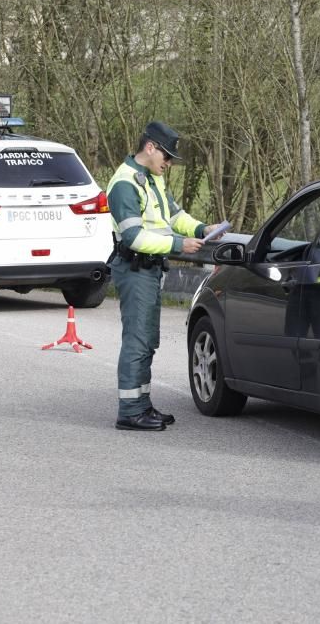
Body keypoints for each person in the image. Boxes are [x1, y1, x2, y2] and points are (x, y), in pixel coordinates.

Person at [106, 121, 223, 431]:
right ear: (150, 148)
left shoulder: (151, 179)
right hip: (134, 267)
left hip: (149, 268)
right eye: (166, 157)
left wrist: (201, 229)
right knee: (137, 340)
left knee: (148, 340)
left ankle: (142, 404)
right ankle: (130, 411)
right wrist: (178, 244)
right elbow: (133, 236)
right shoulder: (125, 183)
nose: (168, 164)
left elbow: (173, 215)